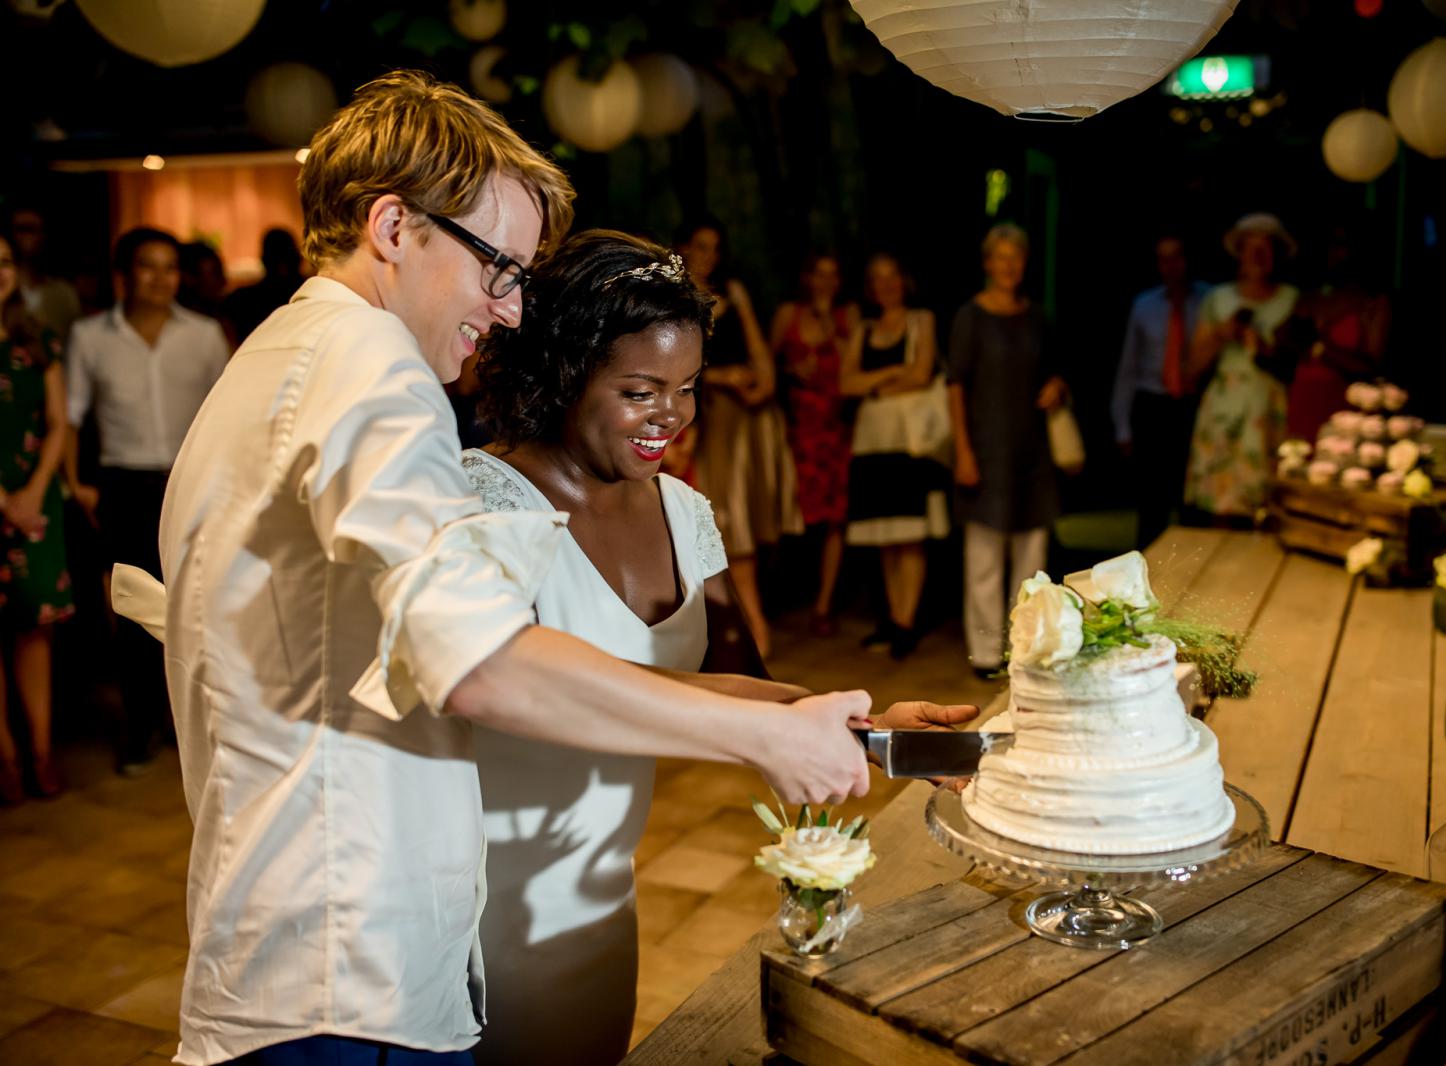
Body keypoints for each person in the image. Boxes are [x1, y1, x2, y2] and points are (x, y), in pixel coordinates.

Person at [141, 72, 878, 1066]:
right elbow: (475, 660)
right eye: (499, 267)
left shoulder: (281, 353)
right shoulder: (372, 362)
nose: (511, 309)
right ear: (394, 227)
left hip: (298, 940)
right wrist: (760, 736)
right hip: (346, 969)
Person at [462, 230, 976, 1065]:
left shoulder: (680, 509)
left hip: (599, 887)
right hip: (484, 899)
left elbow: (732, 683)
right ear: (563, 370)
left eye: (689, 387)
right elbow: (527, 684)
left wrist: (871, 730)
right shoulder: (481, 504)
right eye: (639, 389)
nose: (671, 414)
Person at [64, 226, 229, 773]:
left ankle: (194, 730)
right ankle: (140, 730)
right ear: (124, 274)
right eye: (147, 266)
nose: (160, 278)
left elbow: (229, 415)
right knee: (135, 614)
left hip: (190, 483)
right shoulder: (91, 337)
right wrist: (76, 481)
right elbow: (70, 415)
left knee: (197, 608)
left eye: (169, 267)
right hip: (123, 483)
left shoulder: (204, 335)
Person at [678, 219, 802, 657]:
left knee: (737, 526)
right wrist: (720, 377)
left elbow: (764, 368)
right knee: (711, 526)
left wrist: (745, 308)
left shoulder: (731, 297)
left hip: (736, 423)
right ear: (684, 247)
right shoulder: (674, 299)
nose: (708, 256)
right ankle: (734, 637)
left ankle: (754, 636)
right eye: (700, 246)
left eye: (716, 248)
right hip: (697, 421)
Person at [947, 224, 1067, 675]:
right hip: (985, 446)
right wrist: (963, 451)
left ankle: (1027, 650)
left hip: (1031, 449)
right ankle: (984, 654)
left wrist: (1057, 386)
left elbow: (1053, 370)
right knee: (983, 558)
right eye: (1000, 256)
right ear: (987, 263)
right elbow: (955, 385)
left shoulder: (1037, 315)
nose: (1009, 265)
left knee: (1033, 559)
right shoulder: (970, 317)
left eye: (1016, 256)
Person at [841, 252, 948, 659]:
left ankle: (906, 621)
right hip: (871, 439)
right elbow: (847, 383)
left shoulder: (922, 321)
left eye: (892, 277)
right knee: (884, 534)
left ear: (904, 281)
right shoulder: (863, 329)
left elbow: (921, 374)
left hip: (907, 438)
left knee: (909, 535)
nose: (885, 285)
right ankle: (892, 618)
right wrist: (888, 376)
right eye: (877, 278)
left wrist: (875, 385)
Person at [0, 230, 74, 802]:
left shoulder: (37, 340)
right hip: (6, 499)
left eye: (2, 262)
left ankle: (43, 752)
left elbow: (57, 422)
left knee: (35, 628)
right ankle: (5, 760)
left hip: (36, 499)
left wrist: (33, 492)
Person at [1184, 213, 1300, 523]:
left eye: (1266, 248)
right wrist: (1221, 334)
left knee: (1266, 499)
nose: (1258, 256)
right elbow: (1191, 369)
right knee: (1221, 504)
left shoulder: (1292, 299)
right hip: (1225, 406)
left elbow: (1297, 363)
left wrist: (1265, 349)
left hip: (1269, 403)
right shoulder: (1218, 299)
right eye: (1251, 248)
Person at [771, 253, 858, 636]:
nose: (825, 281)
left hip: (834, 431)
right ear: (807, 278)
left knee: (834, 520)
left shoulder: (847, 316)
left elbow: (853, 365)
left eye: (833, 274)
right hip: (795, 430)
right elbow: (767, 365)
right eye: (819, 274)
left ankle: (823, 604)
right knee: (786, 513)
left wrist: (828, 325)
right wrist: (791, 371)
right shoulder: (788, 314)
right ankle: (777, 597)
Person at [1110, 234, 1210, 547]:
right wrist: (1122, 426)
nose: (1171, 266)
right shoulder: (1145, 306)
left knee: (1192, 501)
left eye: (1176, 257)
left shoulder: (1210, 301)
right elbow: (1128, 367)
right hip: (1153, 406)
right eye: (1163, 259)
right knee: (1152, 504)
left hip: (1194, 406)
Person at [1278, 225, 1391, 442]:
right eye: (1330, 244)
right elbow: (1282, 347)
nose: (1335, 253)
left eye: (1342, 245)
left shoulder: (1372, 301)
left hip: (1345, 408)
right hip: (1303, 400)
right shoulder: (1310, 296)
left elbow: (1371, 367)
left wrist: (1322, 346)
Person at [5, 206, 81, 337]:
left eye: (39, 230)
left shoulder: (64, 294)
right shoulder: (3, 291)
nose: (32, 237)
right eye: (24, 229)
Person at [222, 228, 305, 340]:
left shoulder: (242, 299)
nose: (282, 267)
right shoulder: (241, 300)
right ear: (300, 258)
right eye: (277, 259)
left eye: (285, 259)